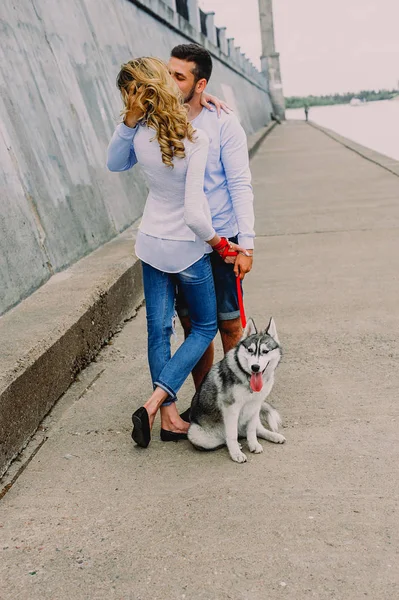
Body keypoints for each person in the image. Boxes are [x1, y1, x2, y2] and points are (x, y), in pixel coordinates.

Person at [106, 57, 246, 448]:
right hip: (187, 248)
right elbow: (193, 212)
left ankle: (168, 416)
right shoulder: (195, 139)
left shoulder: (137, 133)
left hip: (150, 243)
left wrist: (129, 120)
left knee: (159, 330)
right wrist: (220, 243)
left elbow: (113, 162)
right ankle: (156, 405)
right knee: (203, 328)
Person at [167, 44, 255, 393]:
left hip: (223, 238)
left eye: (179, 76)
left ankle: (237, 400)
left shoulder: (223, 122)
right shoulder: (162, 117)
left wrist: (246, 245)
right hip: (183, 240)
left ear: (199, 84)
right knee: (193, 326)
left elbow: (240, 183)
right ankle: (207, 405)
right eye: (168, 73)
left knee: (230, 324)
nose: (169, 82)